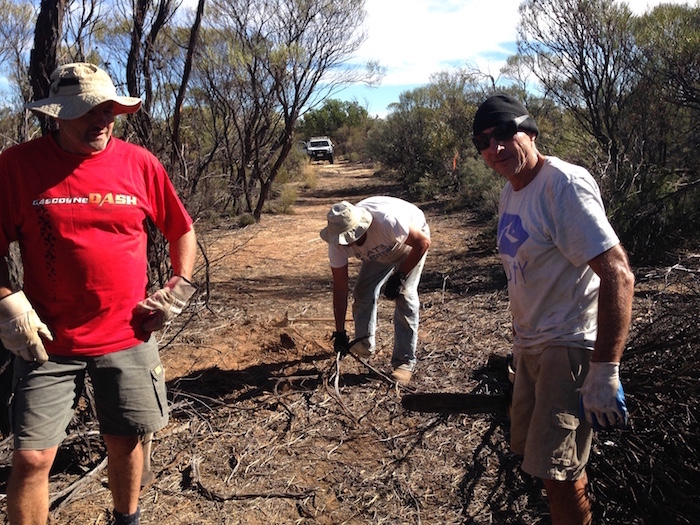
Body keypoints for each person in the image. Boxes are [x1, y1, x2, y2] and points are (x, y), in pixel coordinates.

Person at [0, 62, 197, 525]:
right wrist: (7, 302)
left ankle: (126, 519)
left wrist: (178, 286)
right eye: (88, 110)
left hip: (127, 333)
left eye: (109, 108)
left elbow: (180, 229)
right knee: (31, 459)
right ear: (56, 115)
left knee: (126, 440)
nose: (103, 118)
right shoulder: (16, 167)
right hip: (46, 341)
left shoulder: (140, 163)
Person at [472, 93, 635, 524]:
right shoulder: (511, 192)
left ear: (531, 132)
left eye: (505, 133)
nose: (496, 148)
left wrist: (604, 370)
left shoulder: (562, 183)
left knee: (560, 473)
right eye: (484, 141)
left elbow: (618, 273)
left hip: (568, 347)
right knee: (546, 470)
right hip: (532, 347)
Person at [320, 197, 431, 385]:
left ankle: (404, 363)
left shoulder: (387, 222)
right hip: (377, 253)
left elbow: (422, 242)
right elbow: (340, 288)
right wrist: (339, 331)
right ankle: (363, 344)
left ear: (359, 228)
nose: (344, 243)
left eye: (349, 237)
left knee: (405, 295)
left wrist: (401, 275)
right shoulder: (336, 243)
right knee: (362, 293)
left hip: (408, 247)